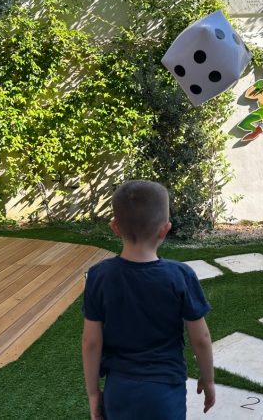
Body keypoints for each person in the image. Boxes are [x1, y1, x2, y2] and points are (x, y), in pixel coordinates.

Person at [82, 180, 215, 420]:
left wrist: (93, 393)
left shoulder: (99, 276)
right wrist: (208, 379)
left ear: (115, 227)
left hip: (118, 391)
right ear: (165, 229)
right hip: (165, 393)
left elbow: (91, 342)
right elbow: (201, 338)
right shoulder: (180, 275)